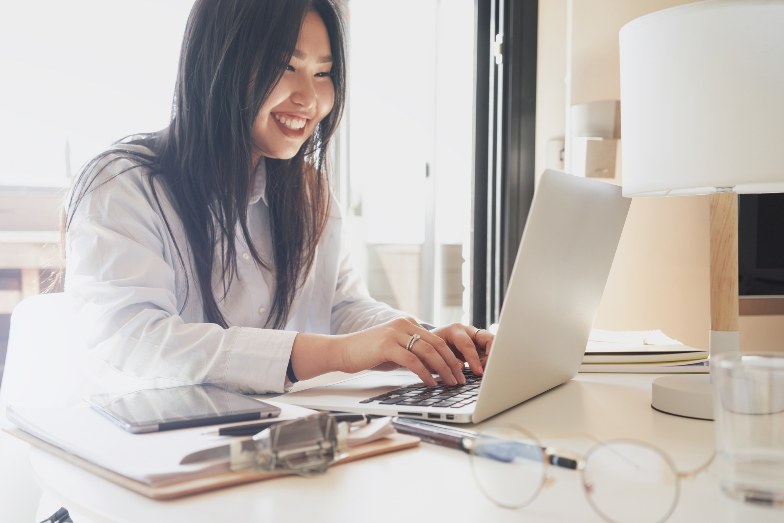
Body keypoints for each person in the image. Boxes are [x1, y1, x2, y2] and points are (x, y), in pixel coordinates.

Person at [64, 0, 493, 395]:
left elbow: (342, 305)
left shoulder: (308, 192)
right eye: (286, 66)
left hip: (280, 440)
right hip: (157, 454)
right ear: (220, 61)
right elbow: (133, 339)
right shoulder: (122, 186)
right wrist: (339, 353)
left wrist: (423, 342)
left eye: (322, 73)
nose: (309, 98)